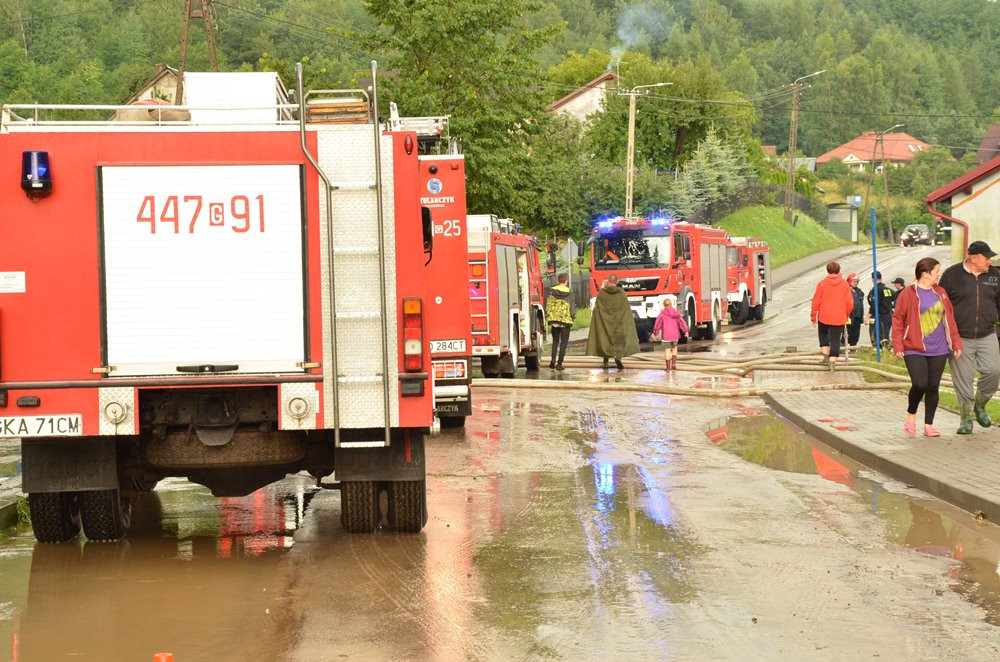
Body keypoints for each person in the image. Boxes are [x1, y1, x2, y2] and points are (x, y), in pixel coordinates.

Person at [891, 257, 962, 437]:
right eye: (936, 271)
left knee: (933, 387)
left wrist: (956, 342)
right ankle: (911, 414)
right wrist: (898, 345)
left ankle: (929, 426)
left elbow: (950, 320)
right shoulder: (908, 294)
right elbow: (898, 320)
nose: (939, 274)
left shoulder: (941, 293)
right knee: (920, 384)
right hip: (914, 347)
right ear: (925, 273)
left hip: (939, 349)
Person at [939, 240, 1000, 434]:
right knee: (963, 379)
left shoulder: (995, 276)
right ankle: (965, 419)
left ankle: (980, 404)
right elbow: (941, 305)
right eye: (986, 257)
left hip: (987, 333)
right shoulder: (951, 275)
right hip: (960, 336)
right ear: (973, 257)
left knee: (993, 371)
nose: (990, 261)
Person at [586, 274, 640, 370]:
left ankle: (605, 361)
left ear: (608, 281)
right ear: (617, 281)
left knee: (604, 338)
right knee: (618, 339)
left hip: (605, 321)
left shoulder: (602, 293)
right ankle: (618, 358)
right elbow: (626, 309)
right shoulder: (622, 293)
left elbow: (597, 309)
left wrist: (599, 320)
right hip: (618, 321)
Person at [810, 261, 854, 368]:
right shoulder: (844, 284)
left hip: (824, 316)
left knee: (823, 335)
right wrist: (846, 314)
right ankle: (832, 363)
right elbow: (850, 303)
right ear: (839, 270)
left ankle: (825, 356)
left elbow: (816, 301)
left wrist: (813, 316)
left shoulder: (822, 284)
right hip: (838, 317)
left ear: (827, 270)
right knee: (835, 339)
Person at [545, 273, 576, 371]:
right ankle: (559, 363)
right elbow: (572, 307)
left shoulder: (551, 291)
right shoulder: (570, 292)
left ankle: (552, 361)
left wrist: (548, 316)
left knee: (555, 341)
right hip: (565, 321)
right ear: (566, 282)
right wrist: (572, 317)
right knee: (564, 343)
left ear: (558, 281)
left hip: (554, 320)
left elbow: (548, 305)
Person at [652, 294, 688, 371]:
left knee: (667, 350)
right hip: (675, 335)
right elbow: (681, 322)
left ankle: (668, 368)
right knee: (674, 348)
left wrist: (655, 333)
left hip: (666, 336)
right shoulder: (676, 313)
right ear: (671, 304)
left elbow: (657, 324)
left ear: (664, 305)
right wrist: (686, 331)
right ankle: (674, 364)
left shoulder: (662, 314)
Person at [867, 271, 895, 347]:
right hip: (888, 317)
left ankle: (879, 353)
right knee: (885, 336)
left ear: (873, 279)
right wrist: (891, 307)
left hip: (879, 317)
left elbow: (873, 304)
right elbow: (897, 298)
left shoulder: (876, 290)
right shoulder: (888, 290)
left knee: (877, 337)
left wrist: (868, 316)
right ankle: (886, 352)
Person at [846, 272, 865, 347]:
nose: (856, 283)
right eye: (854, 282)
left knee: (855, 336)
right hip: (849, 317)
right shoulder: (846, 291)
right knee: (846, 335)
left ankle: (853, 349)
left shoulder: (859, 292)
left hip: (857, 317)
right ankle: (842, 351)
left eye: (857, 282)